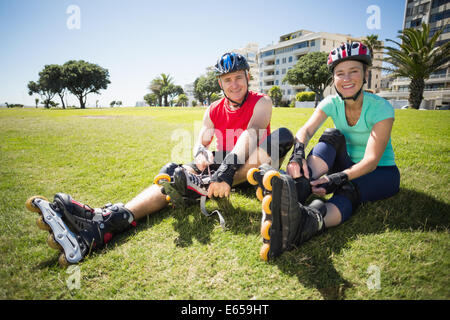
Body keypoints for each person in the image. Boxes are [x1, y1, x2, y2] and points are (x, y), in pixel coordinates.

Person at [30, 52, 295, 266]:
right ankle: (106, 223)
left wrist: (224, 173)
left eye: (239, 77)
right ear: (220, 83)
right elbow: (201, 142)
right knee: (174, 176)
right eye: (228, 80)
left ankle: (202, 183)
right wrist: (200, 154)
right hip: (218, 167)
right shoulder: (213, 109)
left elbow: (251, 133)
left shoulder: (262, 102)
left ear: (248, 77)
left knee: (281, 136)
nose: (235, 84)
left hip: (252, 169)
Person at [253, 42, 400, 261]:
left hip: (380, 172)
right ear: (333, 78)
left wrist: (337, 179)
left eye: (353, 72)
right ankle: (299, 186)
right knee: (332, 135)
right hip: (347, 161)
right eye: (340, 73)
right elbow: (306, 130)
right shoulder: (331, 102)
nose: (346, 79)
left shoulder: (381, 108)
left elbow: (371, 160)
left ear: (365, 74)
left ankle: (307, 221)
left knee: (347, 188)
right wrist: (298, 154)